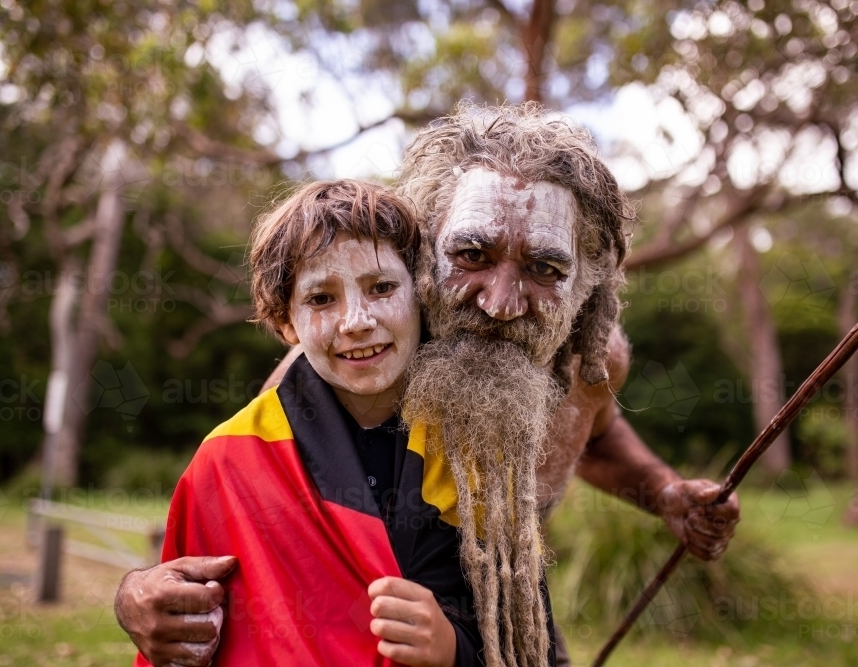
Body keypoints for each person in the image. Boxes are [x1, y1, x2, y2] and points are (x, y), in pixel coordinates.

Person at [115, 103, 741, 666]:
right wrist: (135, 594)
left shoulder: (589, 363)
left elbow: (594, 435)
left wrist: (666, 495)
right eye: (471, 255)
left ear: (586, 284)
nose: (500, 304)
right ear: (422, 248)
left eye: (545, 269)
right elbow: (250, 495)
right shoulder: (359, 363)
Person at [129, 180, 503, 667]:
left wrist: (454, 650)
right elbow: (174, 633)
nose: (356, 321)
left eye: (382, 287)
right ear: (286, 323)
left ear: (421, 293)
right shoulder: (227, 461)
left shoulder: (476, 451)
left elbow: (522, 637)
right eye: (321, 299)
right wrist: (133, 593)